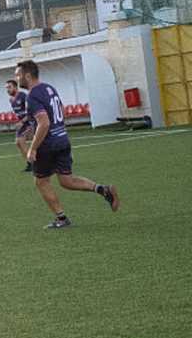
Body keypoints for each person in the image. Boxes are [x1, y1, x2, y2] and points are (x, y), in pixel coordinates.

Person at [15, 60, 120, 229]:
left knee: (41, 182)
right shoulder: (49, 88)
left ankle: (62, 219)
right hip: (62, 139)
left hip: (47, 145)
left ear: (27, 75)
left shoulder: (32, 96)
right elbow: (61, 112)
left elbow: (44, 123)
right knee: (66, 181)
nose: (17, 78)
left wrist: (33, 148)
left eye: (18, 74)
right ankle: (103, 190)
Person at [7, 79, 35, 172]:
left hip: (30, 122)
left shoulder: (23, 96)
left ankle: (33, 164)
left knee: (21, 140)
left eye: (9, 87)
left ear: (15, 87)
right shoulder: (11, 100)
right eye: (6, 88)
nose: (7, 89)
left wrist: (22, 122)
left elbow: (30, 112)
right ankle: (29, 163)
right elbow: (20, 114)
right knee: (18, 143)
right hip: (23, 123)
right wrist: (19, 122)